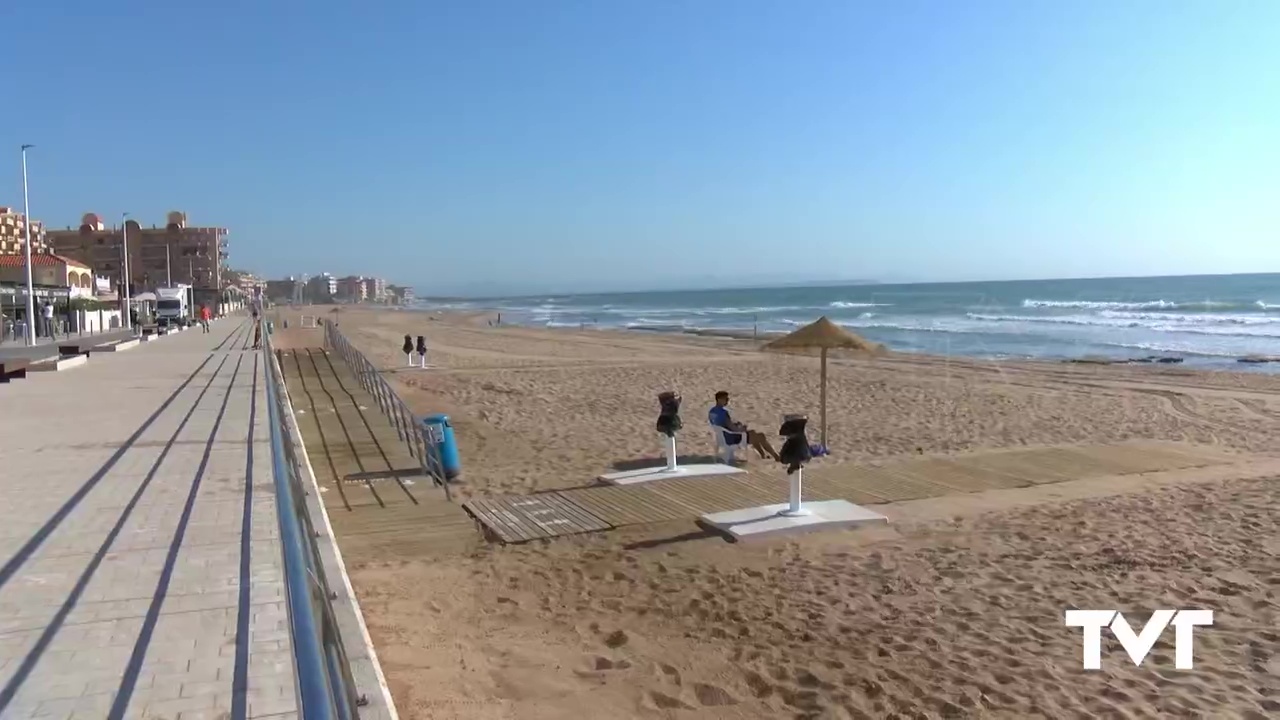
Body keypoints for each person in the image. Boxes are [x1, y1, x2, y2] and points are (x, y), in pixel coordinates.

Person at [708, 390, 780, 461]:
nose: (727, 401)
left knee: (753, 433)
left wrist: (736, 425)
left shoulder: (712, 412)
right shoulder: (723, 412)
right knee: (761, 436)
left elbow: (722, 425)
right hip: (731, 438)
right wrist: (742, 428)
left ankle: (763, 455)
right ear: (719, 399)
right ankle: (776, 456)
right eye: (726, 399)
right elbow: (732, 428)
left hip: (721, 437)